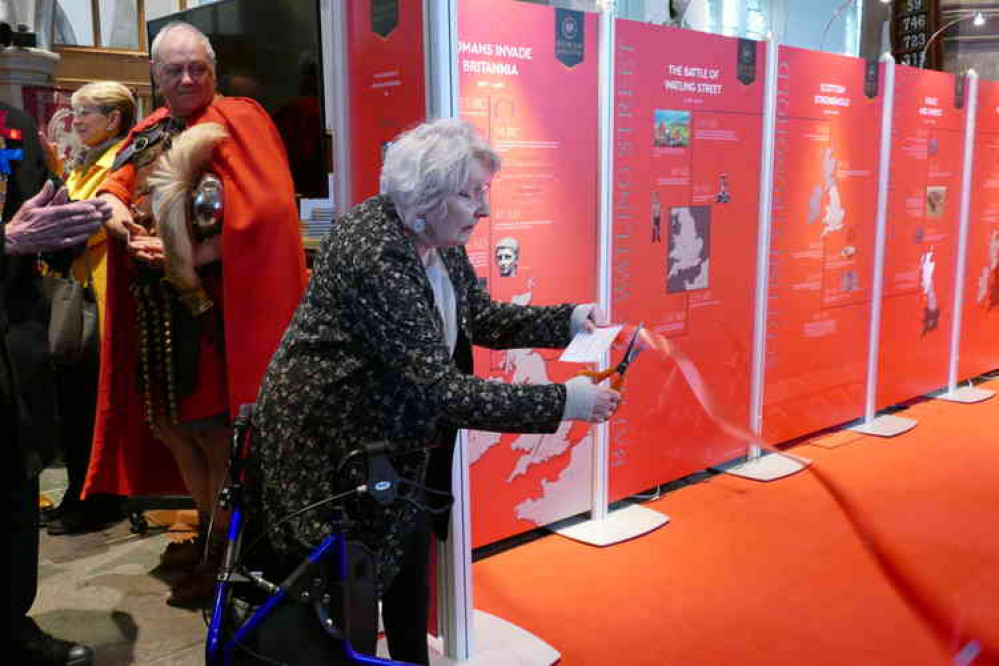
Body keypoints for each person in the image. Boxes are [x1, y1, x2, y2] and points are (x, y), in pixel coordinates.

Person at [248, 119, 620, 665]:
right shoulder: (374, 248)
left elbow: (482, 317)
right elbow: (441, 391)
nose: (485, 211)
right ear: (426, 193)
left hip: (389, 445)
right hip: (328, 449)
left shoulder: (434, 239)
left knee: (405, 571)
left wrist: (568, 321)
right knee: (336, 597)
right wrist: (568, 402)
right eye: (472, 194)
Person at [82, 21, 307, 607]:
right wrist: (113, 209)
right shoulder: (154, 129)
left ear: (212, 71)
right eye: (174, 70)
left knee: (214, 436)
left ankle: (226, 554)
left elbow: (267, 211)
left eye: (197, 69)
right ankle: (209, 532)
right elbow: (115, 181)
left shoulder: (240, 120)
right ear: (155, 77)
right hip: (155, 314)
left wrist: (194, 250)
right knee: (171, 428)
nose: (187, 79)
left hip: (215, 315)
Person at [3, 100, 111, 665]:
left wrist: (69, 225)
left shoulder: (10, 124)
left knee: (18, 491)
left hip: (15, 345)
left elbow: (41, 214)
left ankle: (12, 626)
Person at [41, 81, 137, 536]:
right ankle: (76, 493)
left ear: (114, 119)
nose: (74, 121)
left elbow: (86, 225)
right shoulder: (86, 165)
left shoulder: (122, 165)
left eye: (84, 113)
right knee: (74, 404)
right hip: (76, 295)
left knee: (92, 406)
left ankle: (97, 501)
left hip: (103, 299)